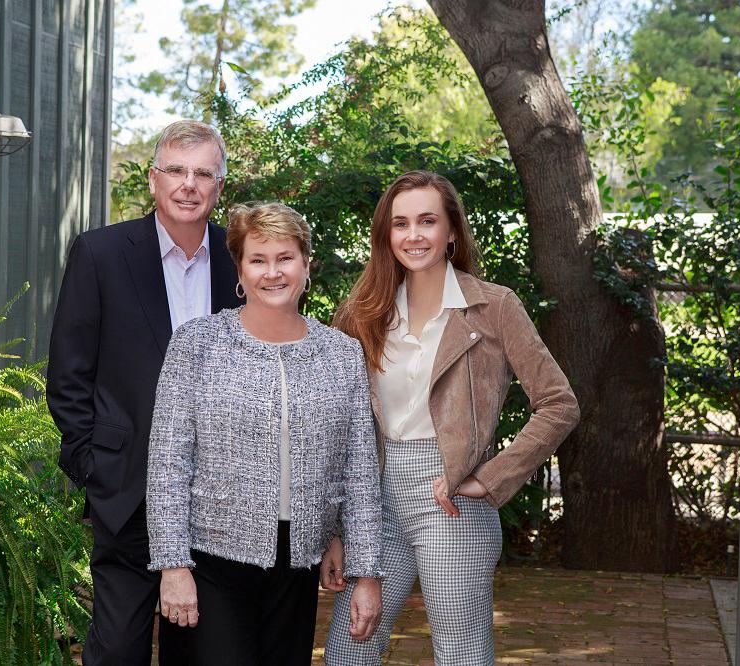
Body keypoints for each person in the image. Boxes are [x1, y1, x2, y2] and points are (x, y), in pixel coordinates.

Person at [324, 171, 580, 665]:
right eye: (400, 224)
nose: (413, 235)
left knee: (461, 652)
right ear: (386, 235)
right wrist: (337, 526)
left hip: (450, 502)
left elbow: (558, 403)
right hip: (372, 497)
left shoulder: (493, 306)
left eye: (427, 221)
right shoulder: (362, 312)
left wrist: (491, 477)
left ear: (451, 232)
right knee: (348, 650)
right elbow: (339, 424)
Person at [146, 202, 385, 665]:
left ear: (305, 264)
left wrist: (365, 572)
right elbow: (168, 464)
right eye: (258, 259)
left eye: (285, 258)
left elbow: (357, 470)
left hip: (297, 566)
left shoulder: (341, 354)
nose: (272, 272)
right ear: (239, 268)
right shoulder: (197, 345)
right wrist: (173, 566)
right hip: (208, 562)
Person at [46, 120, 241, 664]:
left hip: (218, 499)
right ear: (153, 181)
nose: (189, 184)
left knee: (201, 650)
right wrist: (92, 465)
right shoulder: (100, 254)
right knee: (116, 651)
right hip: (126, 489)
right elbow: (68, 375)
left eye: (204, 173)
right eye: (176, 170)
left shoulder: (240, 259)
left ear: (219, 187)